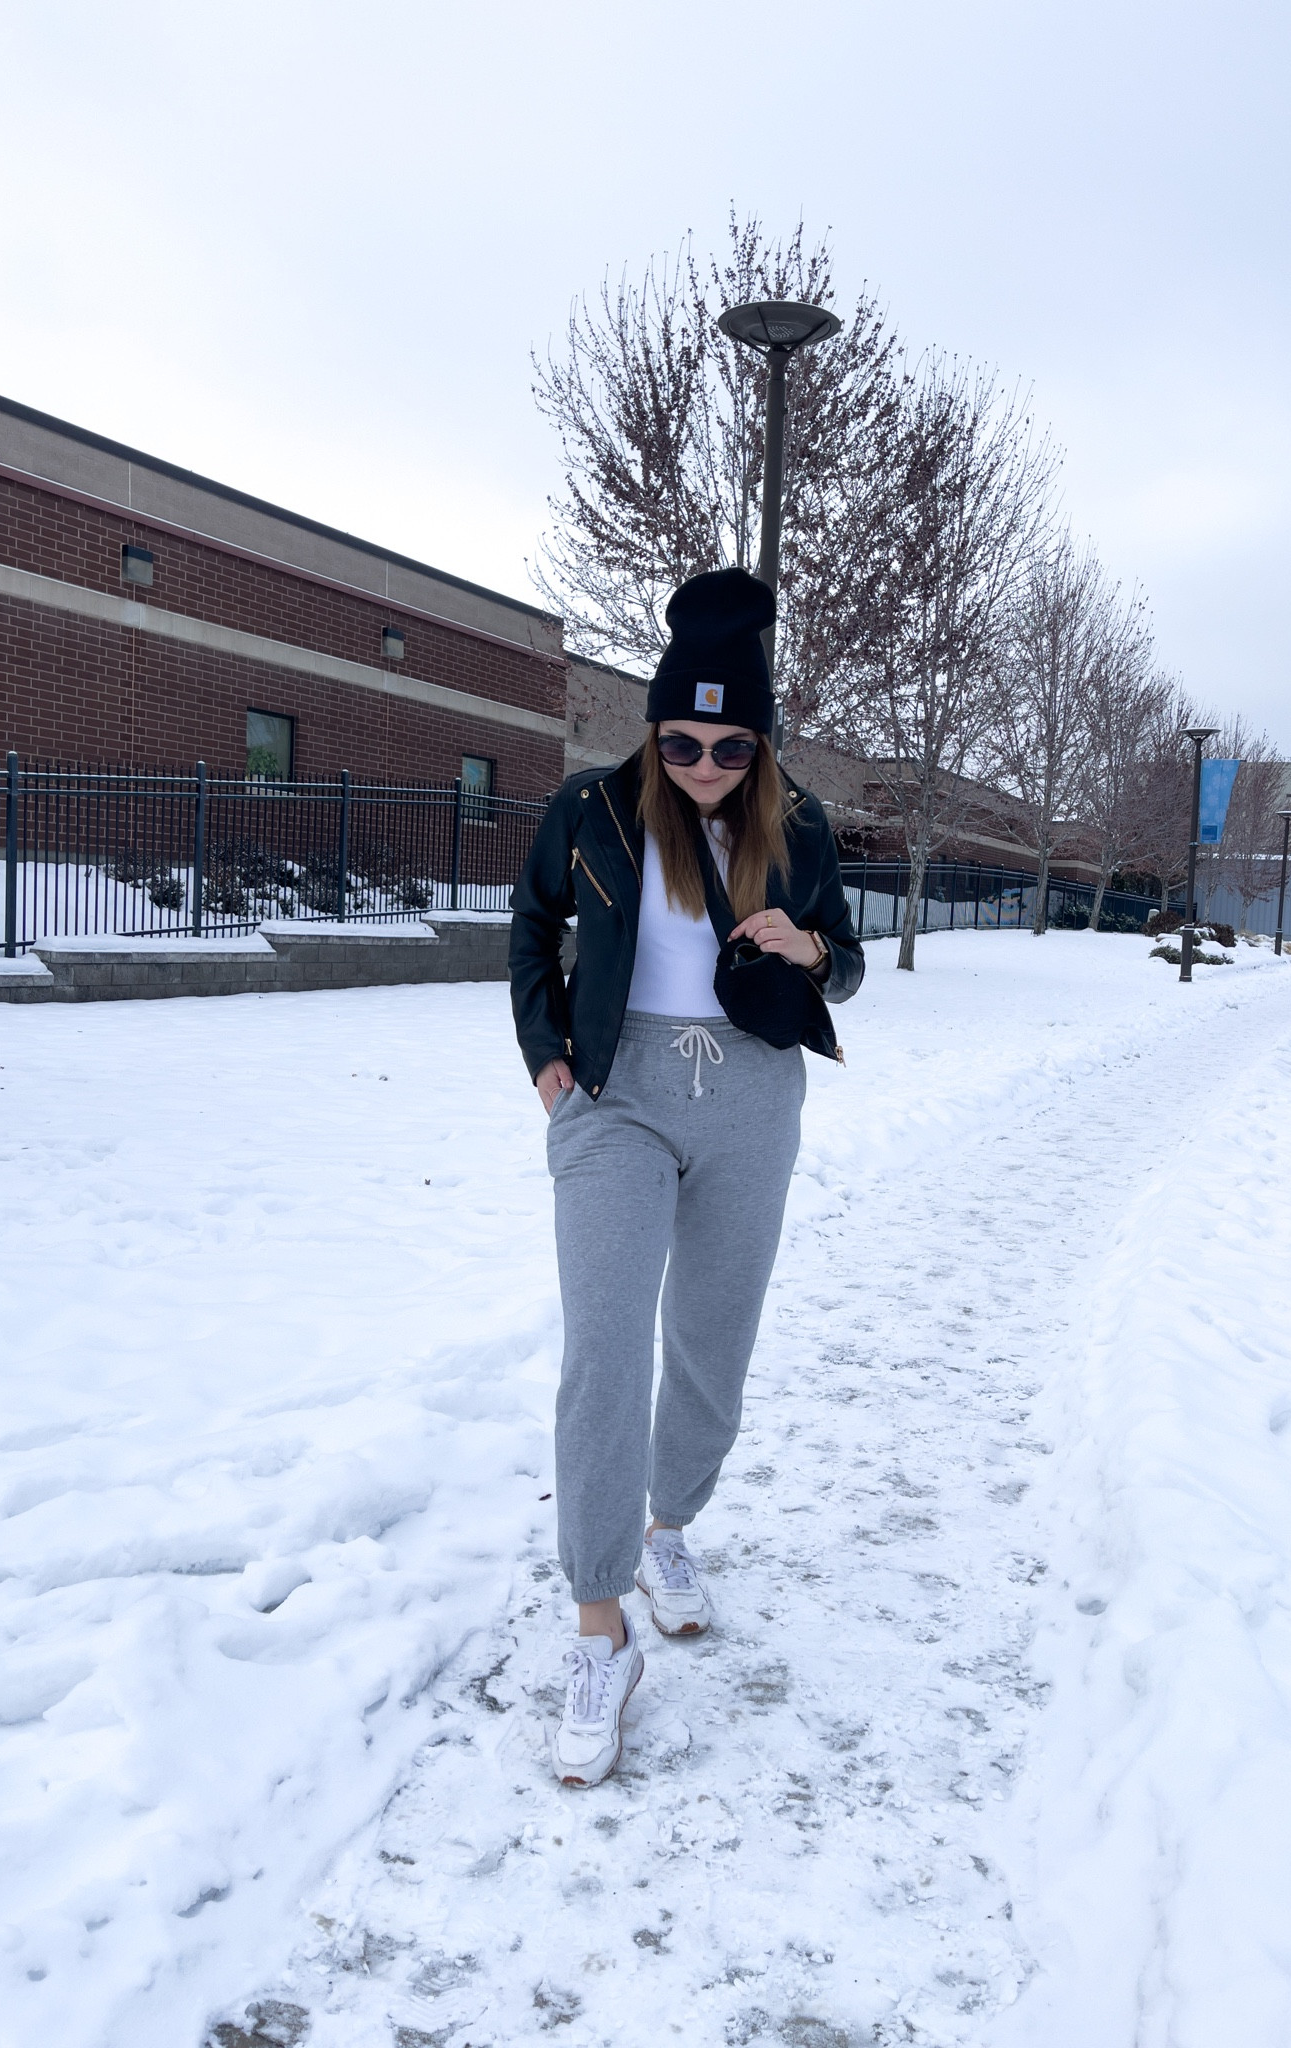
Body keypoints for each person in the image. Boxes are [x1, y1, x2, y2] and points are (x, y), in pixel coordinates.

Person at [508, 567, 865, 1786]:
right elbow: (532, 928)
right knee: (604, 1347)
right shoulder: (591, 809)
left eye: (729, 744)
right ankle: (598, 1625)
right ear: (653, 728)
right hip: (618, 1094)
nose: (703, 763)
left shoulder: (799, 825)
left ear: (759, 743)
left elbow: (846, 961)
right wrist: (547, 1059)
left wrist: (812, 945)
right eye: (680, 740)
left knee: (712, 1337)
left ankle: (669, 1527)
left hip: (753, 1095)